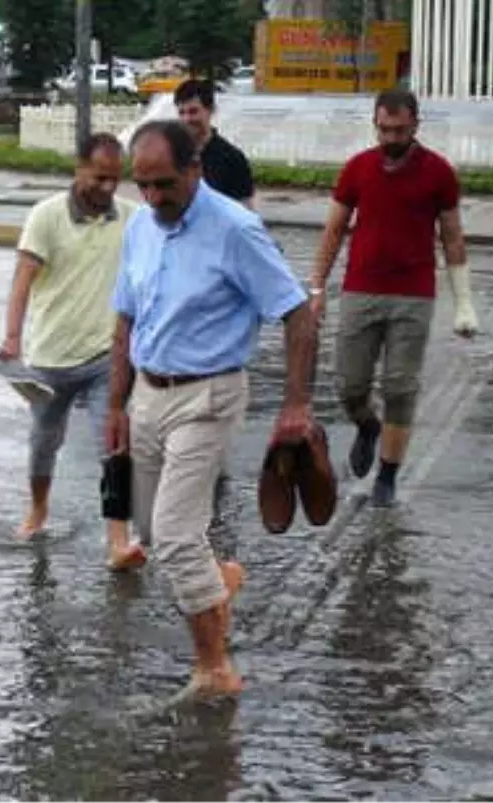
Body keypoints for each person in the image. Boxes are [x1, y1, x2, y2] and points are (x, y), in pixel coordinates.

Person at [105, 119, 317, 698]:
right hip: (148, 392)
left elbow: (298, 314)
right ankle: (219, 581)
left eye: (164, 185)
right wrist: (116, 405)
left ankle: (214, 668)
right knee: (150, 529)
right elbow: (124, 318)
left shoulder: (236, 230)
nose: (152, 198)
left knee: (174, 535)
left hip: (210, 393)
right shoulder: (140, 228)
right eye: (141, 186)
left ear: (194, 169)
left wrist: (297, 404)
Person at [308, 89, 478, 508]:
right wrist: (316, 287)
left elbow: (453, 237)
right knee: (349, 384)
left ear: (415, 125)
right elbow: (333, 230)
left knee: (401, 387)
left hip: (413, 295)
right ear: (375, 124)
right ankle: (368, 426)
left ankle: (387, 475)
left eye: (399, 130)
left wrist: (464, 303)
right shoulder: (357, 169)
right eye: (383, 129)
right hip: (360, 289)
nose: (390, 137)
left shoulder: (439, 173)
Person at [0, 131, 145, 572]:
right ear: (78, 168)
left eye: (115, 180)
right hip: (49, 359)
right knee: (44, 442)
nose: (107, 188)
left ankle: (118, 540)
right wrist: (12, 340)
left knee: (114, 445)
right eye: (99, 177)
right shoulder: (45, 217)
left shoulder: (133, 218)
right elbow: (22, 279)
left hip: (106, 357)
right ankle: (38, 511)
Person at [174, 78, 256, 209]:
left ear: (211, 110)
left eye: (193, 111)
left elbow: (245, 212)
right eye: (181, 112)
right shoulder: (172, 155)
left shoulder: (232, 158)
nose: (186, 119)